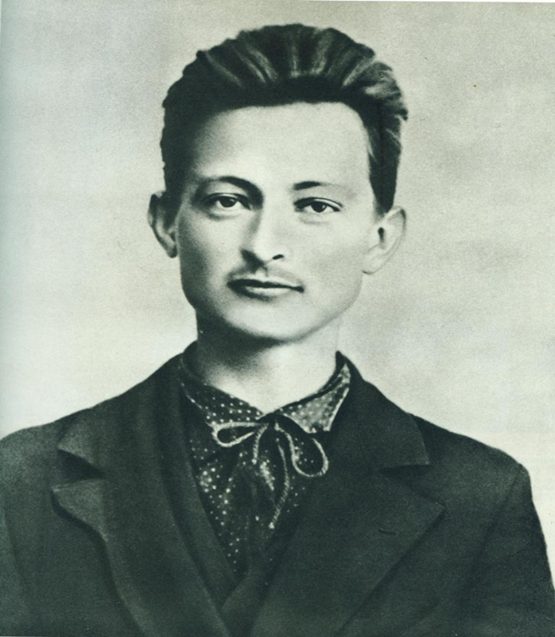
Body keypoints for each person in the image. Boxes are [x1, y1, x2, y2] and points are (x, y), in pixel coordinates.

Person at [1, 23, 554, 637]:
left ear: (380, 237)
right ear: (166, 222)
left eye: (315, 205)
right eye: (229, 200)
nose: (265, 246)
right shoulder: (21, 479)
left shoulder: (480, 495)